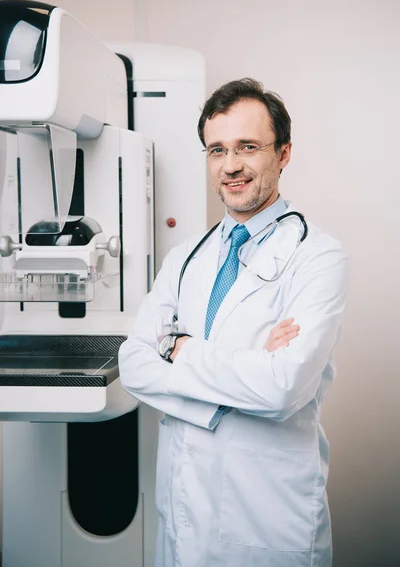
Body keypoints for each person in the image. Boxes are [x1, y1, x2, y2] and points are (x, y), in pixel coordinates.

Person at [119, 78, 348, 567]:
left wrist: (179, 350)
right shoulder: (184, 259)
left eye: (248, 147)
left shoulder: (318, 257)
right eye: (216, 150)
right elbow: (134, 364)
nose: (231, 166)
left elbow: (282, 388)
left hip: (265, 518)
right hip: (182, 510)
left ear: (283, 153)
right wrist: (246, 366)